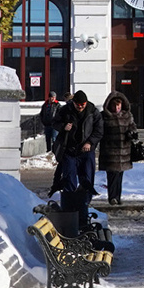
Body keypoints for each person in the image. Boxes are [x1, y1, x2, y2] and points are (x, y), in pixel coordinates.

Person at [55, 89, 102, 218]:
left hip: (86, 151)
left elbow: (99, 131)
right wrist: (63, 127)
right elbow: (55, 122)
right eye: (78, 105)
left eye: (83, 104)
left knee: (86, 180)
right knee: (69, 178)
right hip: (70, 150)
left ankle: (84, 204)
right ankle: (69, 208)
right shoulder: (66, 110)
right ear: (74, 103)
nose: (80, 107)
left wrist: (90, 143)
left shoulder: (93, 112)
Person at [99, 91, 137, 206]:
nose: (117, 108)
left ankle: (118, 197)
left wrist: (132, 133)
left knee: (119, 175)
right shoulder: (104, 116)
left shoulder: (127, 116)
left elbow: (133, 127)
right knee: (112, 175)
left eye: (119, 106)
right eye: (115, 106)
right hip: (110, 152)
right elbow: (99, 131)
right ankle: (112, 197)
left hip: (124, 151)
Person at [38, 90, 62, 154]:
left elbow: (60, 114)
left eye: (54, 97)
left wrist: (57, 122)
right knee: (48, 139)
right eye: (52, 97)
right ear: (49, 98)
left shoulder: (57, 105)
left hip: (55, 125)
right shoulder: (45, 105)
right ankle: (48, 151)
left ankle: (55, 152)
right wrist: (44, 121)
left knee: (54, 139)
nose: (53, 99)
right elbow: (42, 114)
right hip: (47, 125)